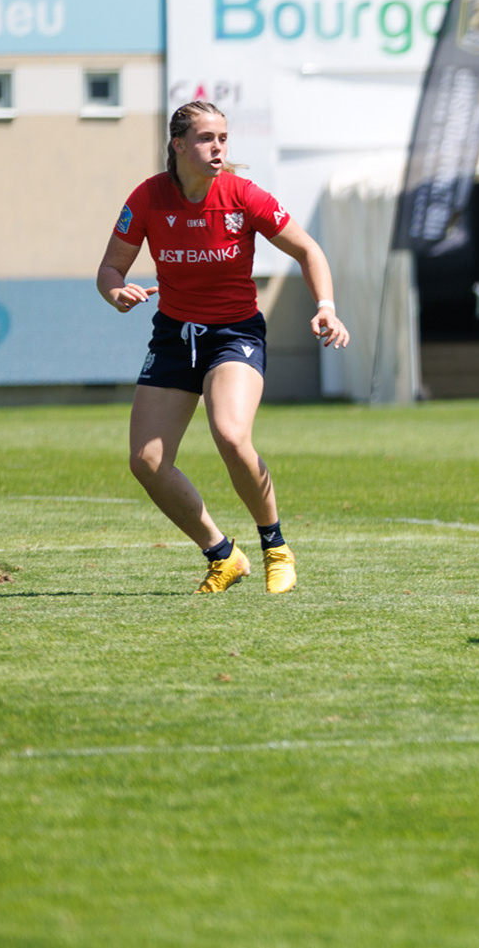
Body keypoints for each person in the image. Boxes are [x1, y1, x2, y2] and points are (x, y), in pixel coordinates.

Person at [96, 100, 351, 594]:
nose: (218, 148)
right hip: (174, 336)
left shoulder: (243, 195)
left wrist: (326, 305)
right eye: (206, 138)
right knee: (146, 462)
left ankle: (275, 545)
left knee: (231, 436)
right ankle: (221, 553)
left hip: (234, 334)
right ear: (177, 145)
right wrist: (115, 291)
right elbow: (111, 269)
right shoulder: (147, 198)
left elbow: (308, 249)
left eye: (223, 139)